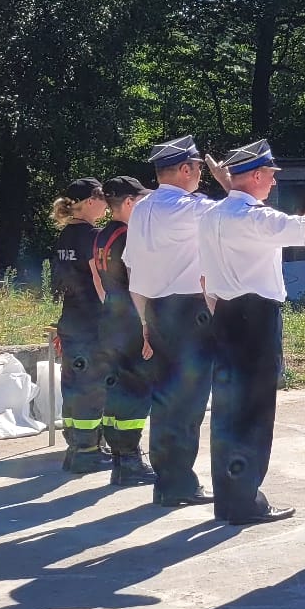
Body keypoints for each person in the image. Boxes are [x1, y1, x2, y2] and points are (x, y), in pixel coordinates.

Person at [199, 140, 305, 527]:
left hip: (224, 313)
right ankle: (247, 501)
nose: (273, 183)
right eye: (270, 176)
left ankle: (228, 497)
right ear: (255, 175)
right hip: (255, 317)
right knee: (254, 411)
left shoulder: (212, 215)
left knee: (227, 410)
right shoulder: (256, 218)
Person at [123, 136, 224, 508]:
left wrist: (143, 319)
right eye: (197, 168)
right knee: (189, 401)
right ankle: (179, 481)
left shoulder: (142, 209)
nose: (200, 175)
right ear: (185, 169)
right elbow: (237, 214)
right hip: (190, 311)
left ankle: (166, 480)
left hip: (156, 309)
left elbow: (133, 267)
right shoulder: (192, 209)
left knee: (165, 398)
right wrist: (228, 181)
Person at [90, 176, 157, 484]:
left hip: (110, 317)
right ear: (129, 203)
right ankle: (129, 460)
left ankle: (120, 458)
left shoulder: (102, 234)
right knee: (136, 390)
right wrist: (146, 324)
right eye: (141, 201)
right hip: (130, 318)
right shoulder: (130, 235)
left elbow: (100, 279)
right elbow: (137, 282)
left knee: (116, 389)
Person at [49, 180, 111, 475]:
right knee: (92, 385)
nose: (106, 205)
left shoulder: (65, 235)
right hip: (92, 322)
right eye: (103, 198)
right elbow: (99, 279)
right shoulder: (92, 236)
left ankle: (75, 445)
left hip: (71, 320)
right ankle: (88, 451)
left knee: (73, 383)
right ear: (89, 202)